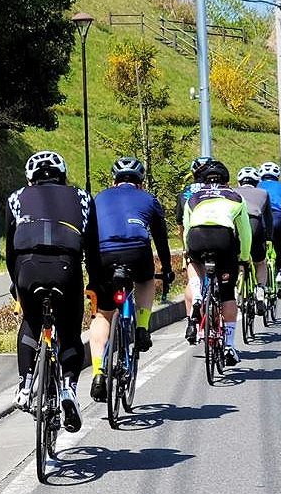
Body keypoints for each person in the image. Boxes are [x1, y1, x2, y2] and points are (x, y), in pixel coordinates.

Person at [6, 150, 102, 433]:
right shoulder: (82, 197)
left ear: (30, 179)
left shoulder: (16, 197)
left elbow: (10, 249)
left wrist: (16, 286)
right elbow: (92, 249)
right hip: (66, 267)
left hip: (27, 266)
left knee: (32, 324)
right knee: (70, 330)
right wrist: (94, 283)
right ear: (63, 176)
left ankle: (24, 386)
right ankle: (69, 390)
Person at [89, 156, 175, 402]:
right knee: (146, 281)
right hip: (137, 252)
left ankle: (97, 372)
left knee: (103, 315)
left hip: (103, 254)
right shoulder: (149, 199)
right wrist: (167, 269)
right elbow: (160, 238)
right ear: (141, 182)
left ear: (113, 181)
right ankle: (141, 327)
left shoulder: (100, 197)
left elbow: (90, 232)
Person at [182, 160, 252, 365]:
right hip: (223, 239)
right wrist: (244, 258)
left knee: (194, 264)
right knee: (227, 293)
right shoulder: (236, 197)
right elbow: (245, 233)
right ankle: (229, 345)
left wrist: (189, 253)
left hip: (196, 236)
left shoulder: (193, 198)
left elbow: (187, 230)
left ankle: (196, 295)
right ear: (226, 181)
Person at [176, 156, 213, 344]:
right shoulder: (217, 191)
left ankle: (191, 320)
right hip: (217, 238)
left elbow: (181, 225)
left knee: (193, 279)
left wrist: (185, 249)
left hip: (192, 238)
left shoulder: (184, 193)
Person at [233, 166, 273, 314]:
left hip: (237, 226)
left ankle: (238, 287)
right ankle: (260, 291)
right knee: (260, 262)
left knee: (239, 259)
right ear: (257, 182)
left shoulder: (232, 192)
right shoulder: (263, 193)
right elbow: (268, 219)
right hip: (255, 225)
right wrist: (269, 238)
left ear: (239, 182)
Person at [257, 161, 281, 294]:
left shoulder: (256, 186)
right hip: (278, 218)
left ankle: (260, 281)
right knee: (280, 251)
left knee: (258, 250)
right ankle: (279, 274)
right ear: (277, 175)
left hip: (261, 218)